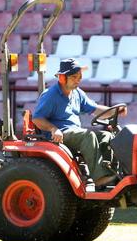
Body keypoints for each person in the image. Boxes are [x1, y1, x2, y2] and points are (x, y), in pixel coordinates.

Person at [32, 58, 127, 188]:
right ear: (62, 78)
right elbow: (37, 118)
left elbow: (95, 109)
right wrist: (54, 129)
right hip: (59, 135)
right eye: (74, 77)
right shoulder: (50, 95)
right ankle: (99, 178)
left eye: (80, 77)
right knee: (88, 136)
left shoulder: (77, 93)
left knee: (107, 136)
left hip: (75, 133)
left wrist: (115, 111)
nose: (78, 80)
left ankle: (110, 174)